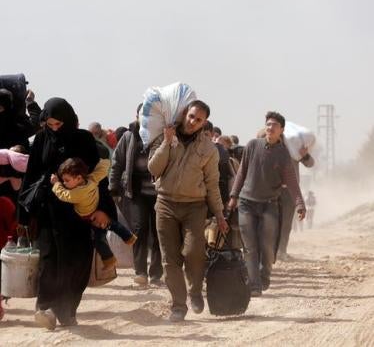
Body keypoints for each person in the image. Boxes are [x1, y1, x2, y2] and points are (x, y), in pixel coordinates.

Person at [20, 98, 116, 330]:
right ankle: (45, 308)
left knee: (76, 261)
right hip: (49, 210)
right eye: (49, 124)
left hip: (79, 211)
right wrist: (23, 213)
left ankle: (67, 311)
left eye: (58, 124)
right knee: (49, 259)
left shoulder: (83, 139)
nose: (54, 129)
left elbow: (97, 178)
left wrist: (104, 209)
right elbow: (31, 174)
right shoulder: (42, 138)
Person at [148, 100, 228, 322]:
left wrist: (220, 214)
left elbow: (212, 183)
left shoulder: (209, 149)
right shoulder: (166, 136)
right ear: (185, 114)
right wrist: (165, 142)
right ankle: (178, 306)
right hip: (165, 204)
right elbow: (154, 169)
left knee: (193, 251)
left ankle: (194, 291)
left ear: (204, 123)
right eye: (191, 116)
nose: (193, 122)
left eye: (199, 119)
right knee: (169, 259)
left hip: (194, 206)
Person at [228, 111, 306, 297]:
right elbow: (242, 172)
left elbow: (292, 182)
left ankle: (265, 275)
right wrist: (233, 196)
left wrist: (300, 204)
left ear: (282, 130)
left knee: (267, 245)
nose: (270, 128)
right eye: (268, 124)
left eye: (275, 125)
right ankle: (254, 285)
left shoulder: (283, 155)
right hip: (247, 203)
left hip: (270, 205)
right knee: (250, 246)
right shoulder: (253, 146)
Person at [109, 104, 163, 286]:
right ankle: (141, 272)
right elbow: (117, 163)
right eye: (144, 114)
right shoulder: (128, 136)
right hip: (136, 192)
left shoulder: (162, 135)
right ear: (137, 116)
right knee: (139, 229)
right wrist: (113, 187)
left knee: (158, 232)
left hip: (160, 194)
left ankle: (156, 273)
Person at [50, 157, 137, 269]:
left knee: (99, 239)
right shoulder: (92, 179)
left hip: (91, 217)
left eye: (67, 180)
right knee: (112, 225)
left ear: (78, 178)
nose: (65, 183)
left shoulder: (78, 193)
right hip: (97, 212)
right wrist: (104, 161)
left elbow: (64, 194)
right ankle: (129, 237)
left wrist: (56, 183)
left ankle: (109, 259)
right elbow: (101, 171)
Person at [278, 146, 314, 259]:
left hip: (290, 190)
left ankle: (281, 250)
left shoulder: (293, 147)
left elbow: (310, 163)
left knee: (287, 223)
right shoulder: (268, 143)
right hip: (271, 190)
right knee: (270, 221)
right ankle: (270, 251)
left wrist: (305, 155)